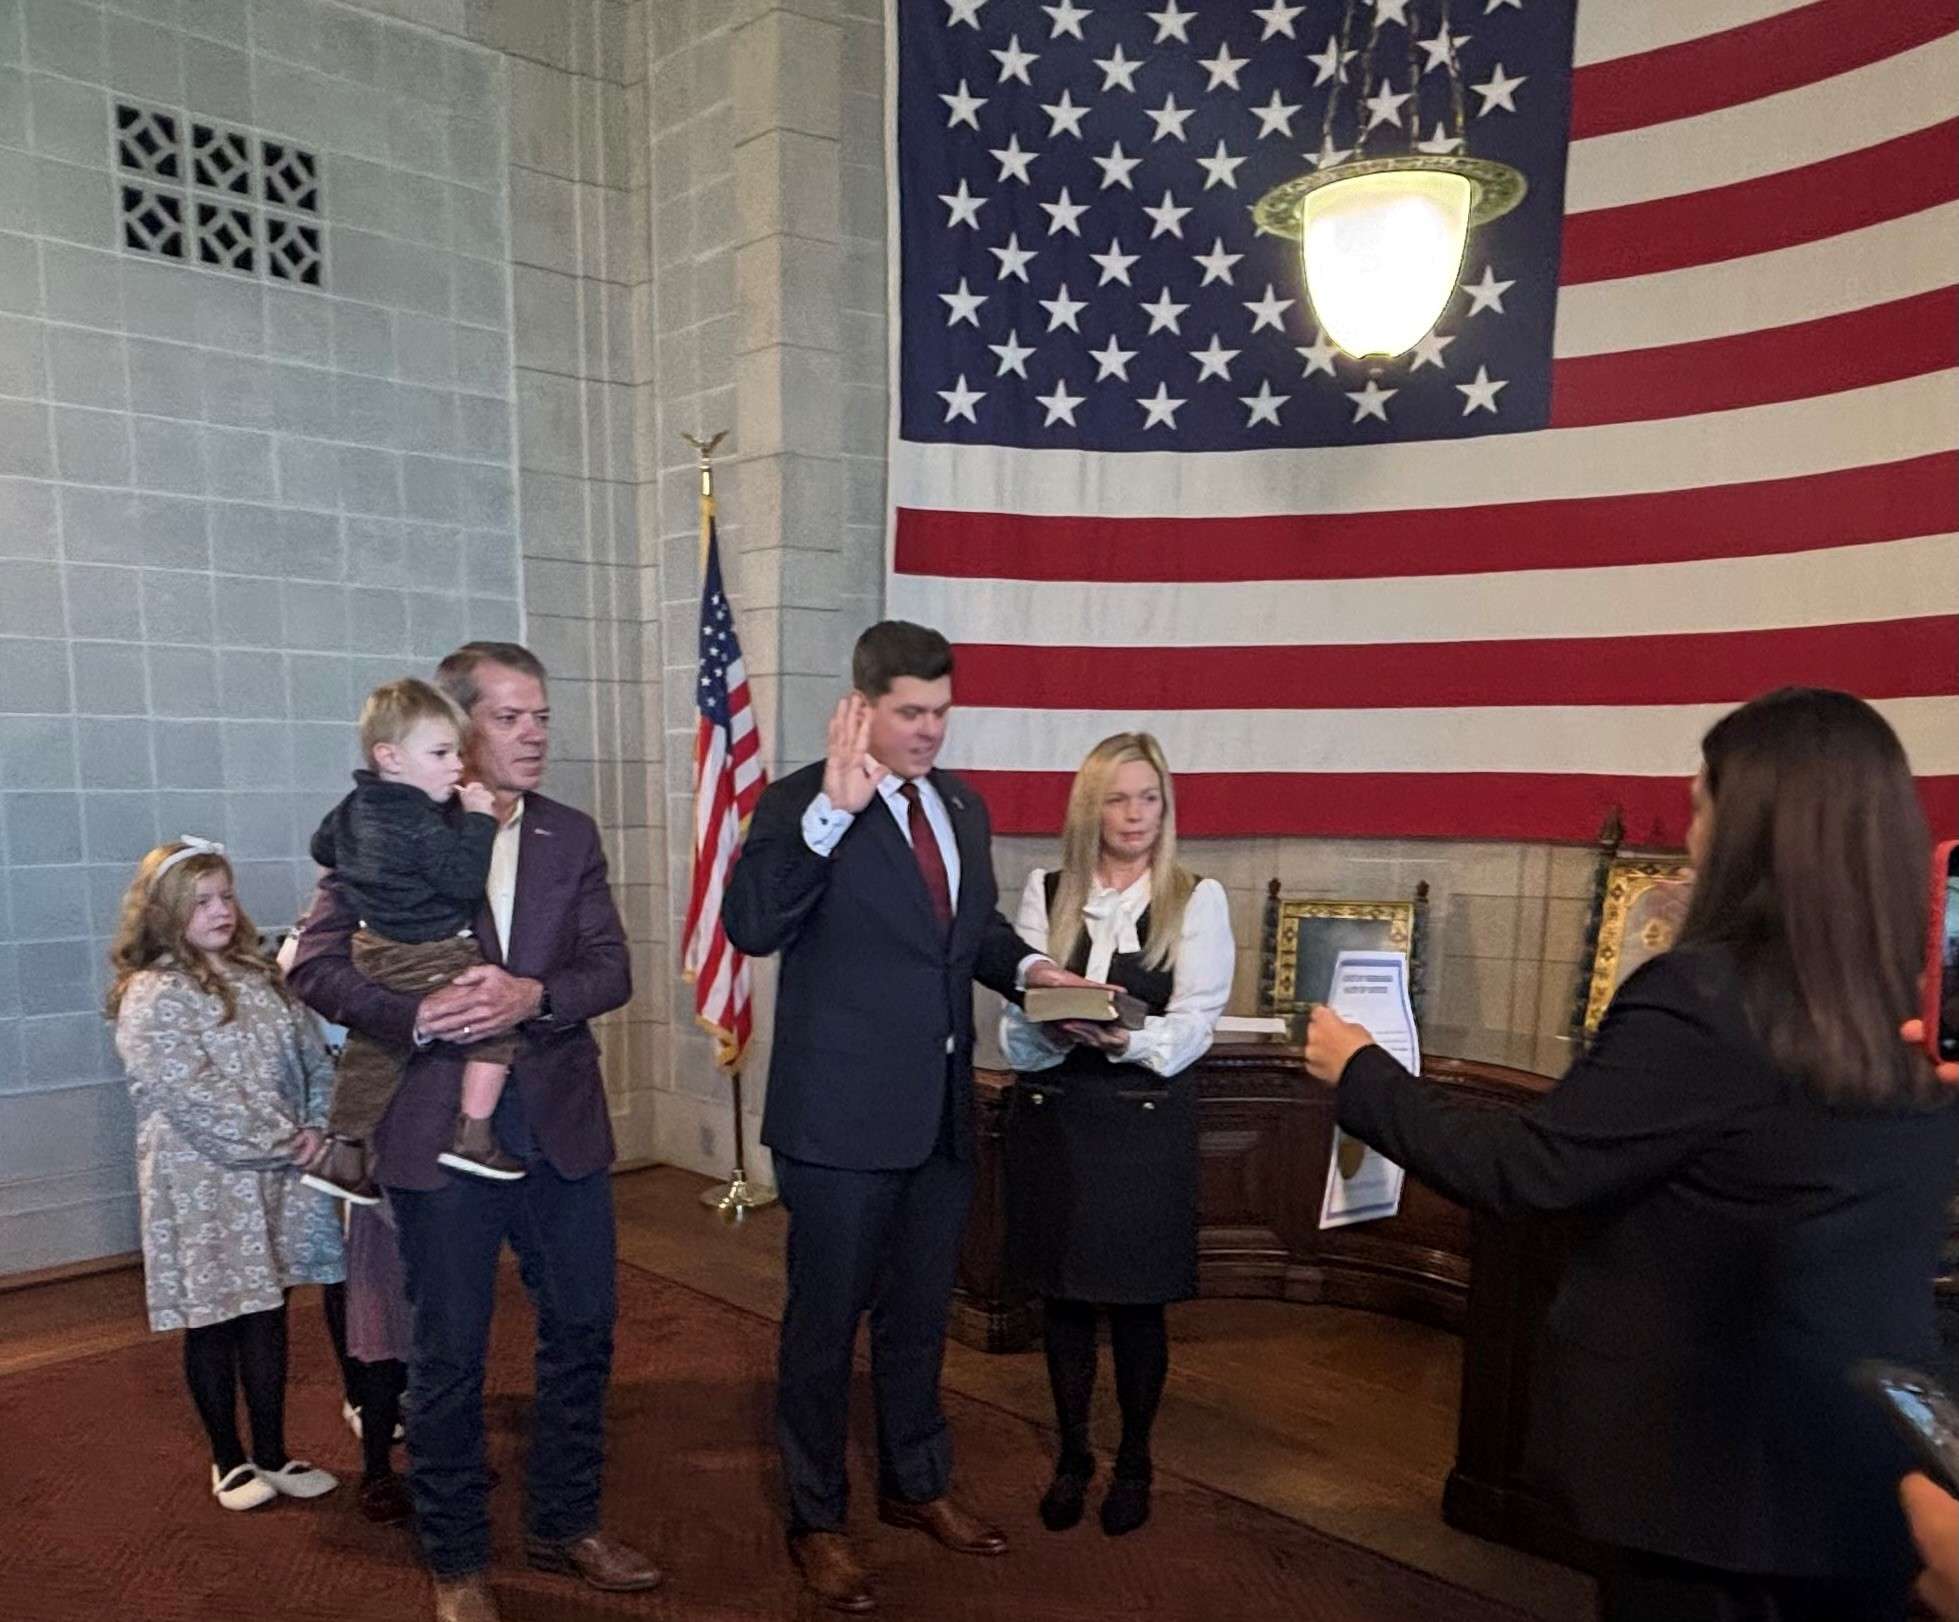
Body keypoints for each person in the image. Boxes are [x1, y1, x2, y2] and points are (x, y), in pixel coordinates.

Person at [1304, 688, 1959, 1622]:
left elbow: (1529, 1170)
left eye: (1700, 808)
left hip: (1711, 1476)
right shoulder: (1913, 1002)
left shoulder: (1706, 996)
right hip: (1870, 1460)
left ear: (1751, 829)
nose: (1689, 837)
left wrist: (1364, 1075)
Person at [723, 620, 1091, 1615]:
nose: (930, 730)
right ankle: (816, 1516)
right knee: (823, 1323)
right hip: (837, 1122)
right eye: (910, 713)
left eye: (941, 710)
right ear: (863, 705)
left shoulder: (960, 805)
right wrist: (832, 819)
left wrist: (1039, 977)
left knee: (921, 1317)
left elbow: (969, 937)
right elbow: (751, 923)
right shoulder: (803, 799)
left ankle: (916, 1480)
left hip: (937, 1115)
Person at [289, 643, 658, 1622]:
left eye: (542, 715)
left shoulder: (570, 834)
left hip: (562, 1127)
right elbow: (314, 964)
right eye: (510, 717)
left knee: (582, 1329)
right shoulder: (382, 828)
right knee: (449, 1351)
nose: (535, 732)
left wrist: (534, 992)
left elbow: (610, 968)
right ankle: (456, 1557)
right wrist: (412, 1016)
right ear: (454, 731)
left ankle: (565, 1520)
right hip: (431, 1127)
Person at [998, 732, 1233, 1536]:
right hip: (1057, 1116)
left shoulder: (1195, 896)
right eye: (1118, 798)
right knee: (1063, 1303)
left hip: (1141, 1126)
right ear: (1088, 807)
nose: (1134, 815)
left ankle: (1133, 1461)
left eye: (1149, 799)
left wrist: (1128, 1041)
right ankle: (1073, 1456)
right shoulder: (1048, 887)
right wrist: (1049, 1033)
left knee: (1136, 1308)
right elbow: (1014, 1017)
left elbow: (1198, 1022)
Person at [107, 838, 345, 1512]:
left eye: (225, 896)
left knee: (267, 1311)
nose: (219, 910)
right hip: (203, 1178)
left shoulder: (259, 973)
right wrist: (285, 1138)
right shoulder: (154, 994)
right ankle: (228, 1458)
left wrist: (317, 1124)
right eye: (200, 900)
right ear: (165, 913)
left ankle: (272, 1451)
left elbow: (312, 1056)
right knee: (215, 1318)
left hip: (274, 1176)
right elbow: (193, 1094)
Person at [303, 677, 523, 1204]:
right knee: (494, 1023)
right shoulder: (421, 821)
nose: (456, 766)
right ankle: (473, 1136)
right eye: (442, 752)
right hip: (430, 950)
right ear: (390, 757)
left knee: (375, 1046)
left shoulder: (354, 806)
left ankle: (344, 1151)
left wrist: (370, 872)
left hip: (373, 949)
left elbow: (322, 846)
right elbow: (463, 880)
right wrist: (478, 821)